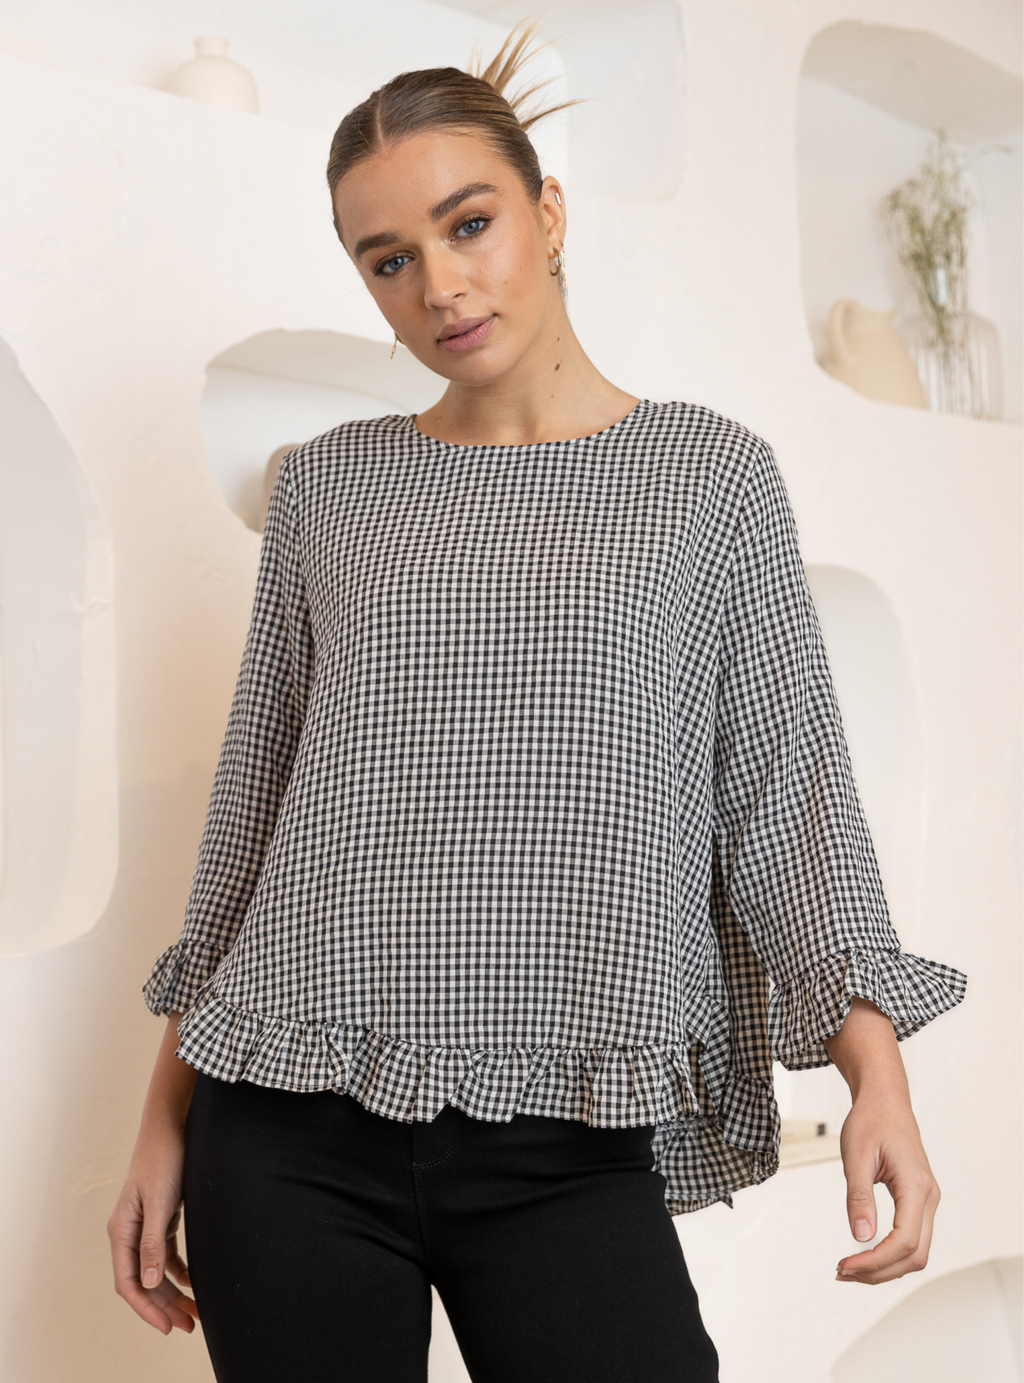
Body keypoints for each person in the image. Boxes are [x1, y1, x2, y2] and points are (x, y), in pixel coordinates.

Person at [107, 25, 967, 1383]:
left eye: (469, 224)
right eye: (388, 259)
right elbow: (251, 824)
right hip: (280, 1136)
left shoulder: (709, 482)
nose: (439, 284)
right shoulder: (329, 488)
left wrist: (882, 1082)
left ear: (548, 212)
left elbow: (787, 800)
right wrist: (163, 1120)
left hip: (567, 1139)